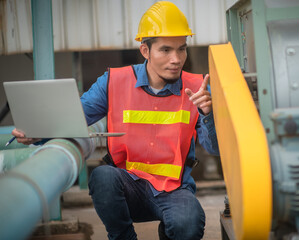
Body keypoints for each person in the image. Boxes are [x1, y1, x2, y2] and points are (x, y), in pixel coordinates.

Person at [12, 1, 219, 239]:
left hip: (174, 190)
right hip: (127, 186)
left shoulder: (198, 90)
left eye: (181, 49)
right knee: (102, 176)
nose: (176, 59)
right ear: (145, 50)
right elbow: (75, 116)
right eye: (165, 50)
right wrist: (38, 132)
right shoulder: (114, 82)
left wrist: (208, 115)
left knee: (189, 223)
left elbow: (214, 148)